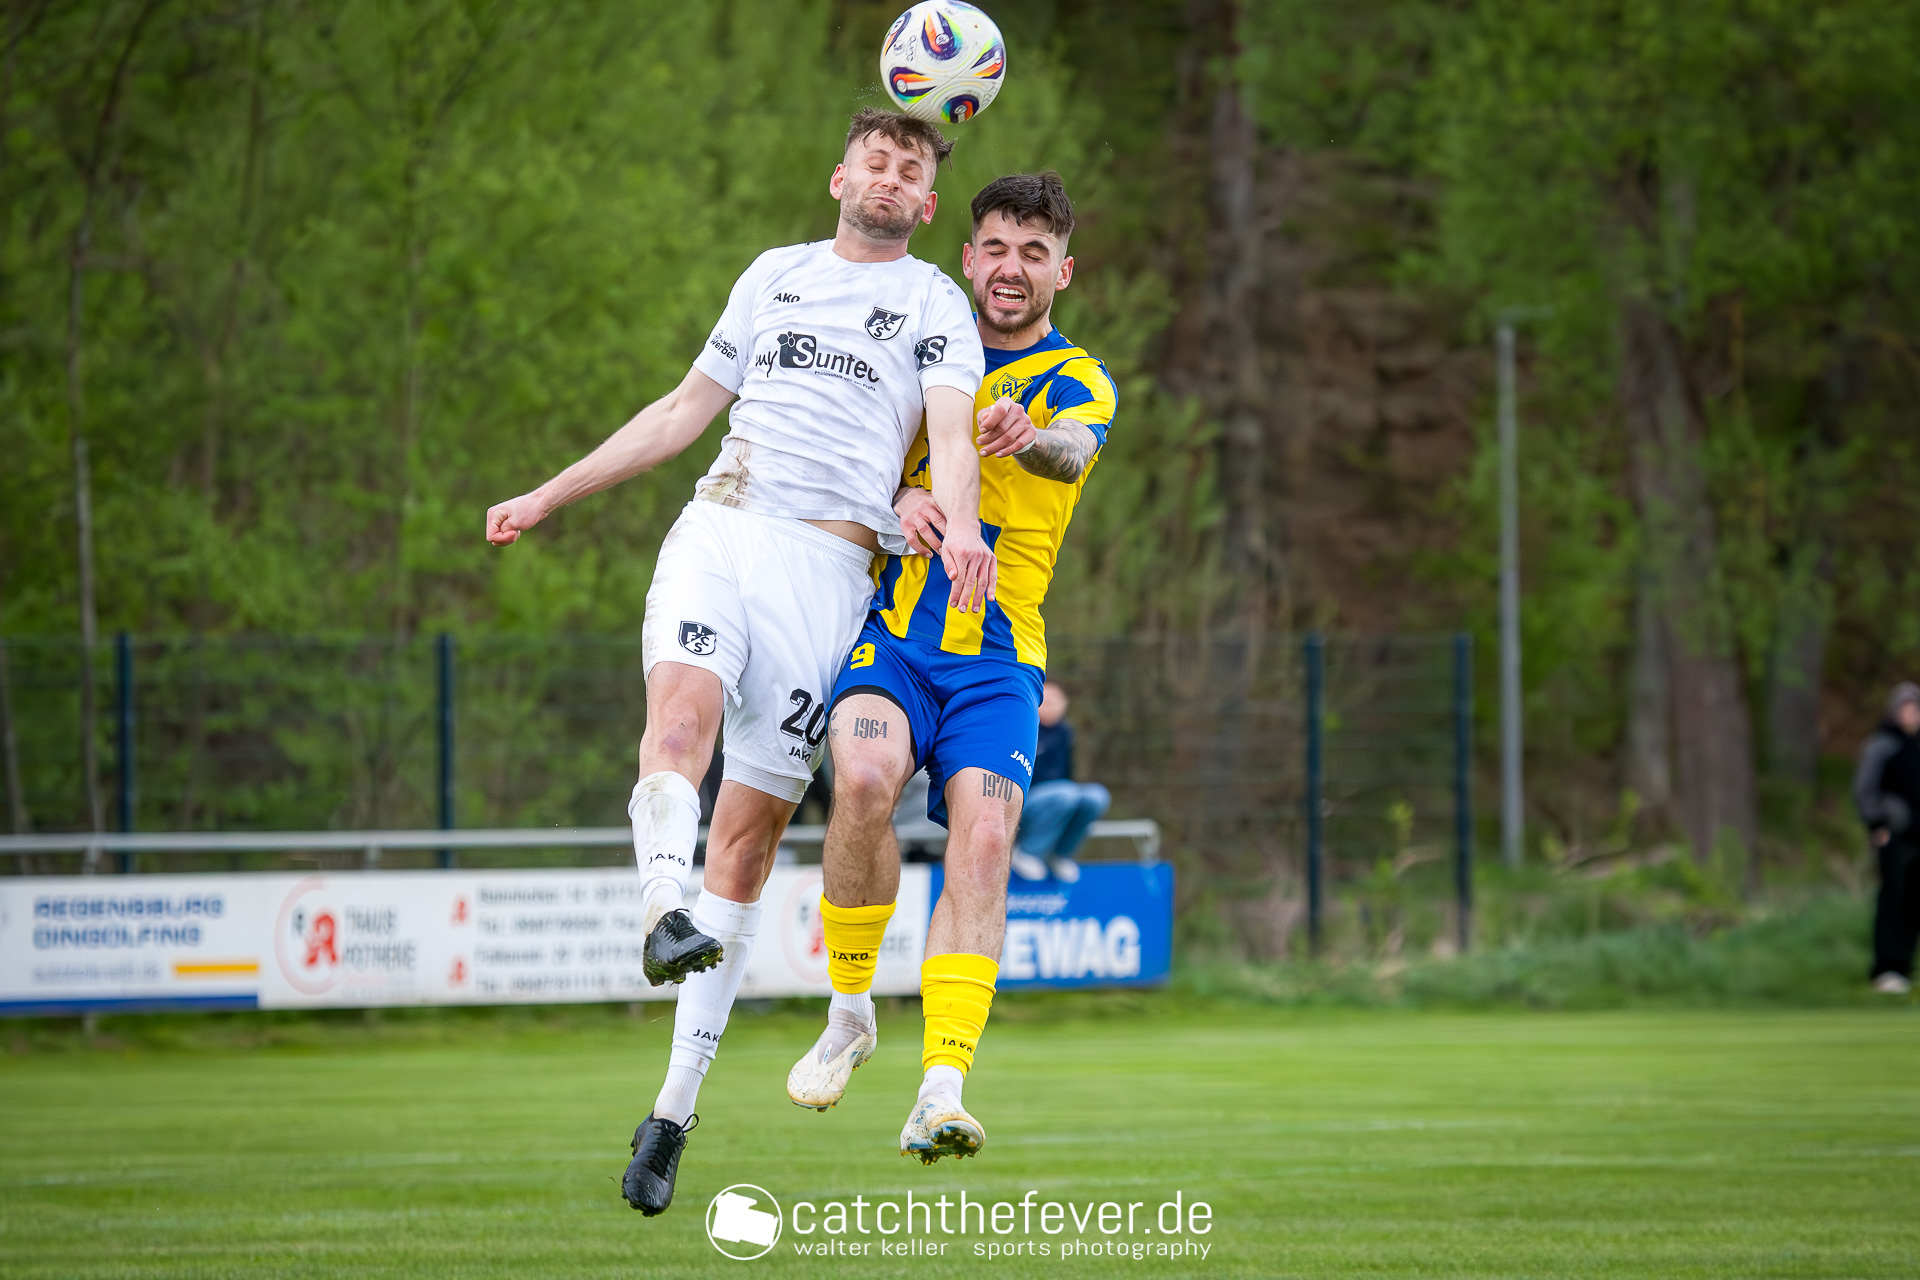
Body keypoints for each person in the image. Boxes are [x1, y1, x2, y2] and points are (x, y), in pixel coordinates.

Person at [483, 108, 993, 1216]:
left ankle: (671, 1113)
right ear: (839, 177)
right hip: (725, 521)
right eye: (876, 159)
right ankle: (661, 907)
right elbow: (681, 411)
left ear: (927, 203)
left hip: (832, 576)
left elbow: (953, 437)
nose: (892, 175)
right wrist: (548, 493)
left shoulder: (934, 302)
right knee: (679, 723)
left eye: (911, 168)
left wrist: (960, 527)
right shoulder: (773, 274)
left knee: (749, 840)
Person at [784, 172, 1117, 1163]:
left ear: (1063, 271)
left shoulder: (1078, 376)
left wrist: (1030, 435)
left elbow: (1071, 451)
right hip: (893, 635)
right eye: (996, 248)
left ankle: (940, 1089)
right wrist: (899, 501)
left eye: (1034, 252)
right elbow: (847, 465)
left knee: (984, 844)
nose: (1012, 268)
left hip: (998, 658)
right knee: (863, 780)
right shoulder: (915, 351)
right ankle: (849, 1012)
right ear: (968, 258)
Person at [1854, 682, 1920, 995]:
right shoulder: (1882, 745)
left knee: (1915, 902)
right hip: (1894, 834)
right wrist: (1876, 824)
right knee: (1894, 899)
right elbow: (1865, 789)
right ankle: (1887, 968)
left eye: (1915, 707)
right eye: (1906, 708)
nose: (1911, 713)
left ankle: (1905, 966)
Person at [1009, 680, 1109, 884]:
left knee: (1095, 797)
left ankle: (1058, 854)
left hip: (1060, 796)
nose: (1050, 706)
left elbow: (1068, 775)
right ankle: (1028, 852)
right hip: (1024, 801)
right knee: (1065, 794)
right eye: (1045, 700)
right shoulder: (1022, 728)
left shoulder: (1066, 733)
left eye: (1056, 701)